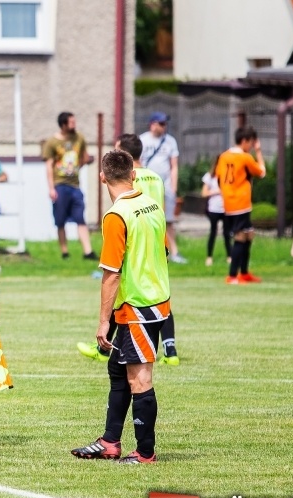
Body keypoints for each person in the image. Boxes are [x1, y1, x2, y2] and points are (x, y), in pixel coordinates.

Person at [71, 149, 169, 464]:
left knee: (139, 378)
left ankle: (145, 452)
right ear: (133, 174)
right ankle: (110, 441)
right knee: (118, 369)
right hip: (155, 301)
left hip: (138, 307)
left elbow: (111, 275)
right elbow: (163, 251)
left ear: (102, 177)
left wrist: (103, 323)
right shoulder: (152, 204)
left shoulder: (117, 215)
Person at [77, 133, 179, 365]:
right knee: (158, 291)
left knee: (128, 288)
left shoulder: (129, 181)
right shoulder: (155, 177)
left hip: (134, 237)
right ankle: (170, 349)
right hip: (156, 238)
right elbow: (160, 209)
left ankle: (104, 347)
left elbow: (127, 204)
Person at [43, 111, 98, 260]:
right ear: (63, 124)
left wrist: (85, 162)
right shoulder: (52, 142)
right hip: (59, 184)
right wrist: (51, 188)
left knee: (80, 218)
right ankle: (65, 252)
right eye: (71, 123)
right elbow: (49, 165)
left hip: (75, 185)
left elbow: (84, 156)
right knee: (60, 220)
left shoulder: (79, 138)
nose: (74, 125)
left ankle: (88, 252)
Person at [215, 126, 266, 284]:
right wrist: (258, 152)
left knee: (249, 234)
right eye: (251, 143)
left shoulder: (224, 156)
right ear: (244, 141)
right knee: (240, 236)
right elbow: (261, 172)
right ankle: (232, 275)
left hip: (229, 202)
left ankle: (244, 273)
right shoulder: (245, 157)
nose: (251, 146)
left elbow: (218, 177)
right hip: (240, 202)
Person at [139, 111, 186, 264]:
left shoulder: (170, 141)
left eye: (165, 124)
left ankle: (174, 252)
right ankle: (149, 252)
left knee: (169, 220)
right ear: (152, 124)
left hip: (165, 185)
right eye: (161, 124)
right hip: (147, 185)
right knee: (147, 219)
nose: (164, 127)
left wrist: (173, 186)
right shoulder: (143, 140)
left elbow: (174, 166)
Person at [201, 156, 231, 267]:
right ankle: (209, 257)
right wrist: (217, 191)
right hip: (214, 209)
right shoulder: (210, 177)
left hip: (226, 209)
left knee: (227, 234)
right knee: (213, 233)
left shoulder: (227, 176)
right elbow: (204, 193)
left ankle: (229, 256)